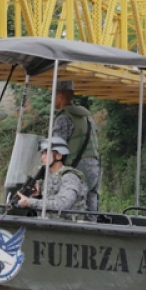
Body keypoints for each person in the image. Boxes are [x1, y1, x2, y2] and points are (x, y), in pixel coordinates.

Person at [52, 80, 101, 221]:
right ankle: (93, 232)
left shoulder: (63, 118)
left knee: (69, 205)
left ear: (60, 96)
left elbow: (55, 150)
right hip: (94, 168)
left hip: (77, 169)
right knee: (91, 204)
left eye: (53, 96)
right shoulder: (87, 117)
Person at [16, 137, 88, 220]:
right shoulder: (46, 177)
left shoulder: (70, 177)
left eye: (46, 153)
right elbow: (44, 206)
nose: (42, 157)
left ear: (59, 156)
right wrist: (37, 196)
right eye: (42, 154)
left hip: (68, 228)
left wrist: (30, 202)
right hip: (48, 224)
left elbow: (62, 205)